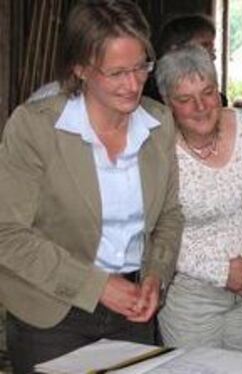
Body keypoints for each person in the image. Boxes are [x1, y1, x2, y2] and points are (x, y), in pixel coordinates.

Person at [0, 1, 183, 372]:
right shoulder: (35, 127)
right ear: (80, 68)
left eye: (140, 67)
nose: (133, 85)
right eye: (116, 73)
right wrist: (97, 286)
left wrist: (155, 275)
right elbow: (8, 233)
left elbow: (169, 215)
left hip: (133, 310)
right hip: (50, 313)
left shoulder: (159, 122)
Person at [155, 45, 242, 354]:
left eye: (208, 92)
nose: (200, 106)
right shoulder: (156, 147)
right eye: (185, 99)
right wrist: (221, 272)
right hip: (189, 297)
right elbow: (154, 229)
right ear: (167, 103)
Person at [143, 14, 228, 107]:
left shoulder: (217, 102)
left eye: (208, 93)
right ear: (175, 49)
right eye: (204, 46)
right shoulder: (150, 101)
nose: (212, 56)